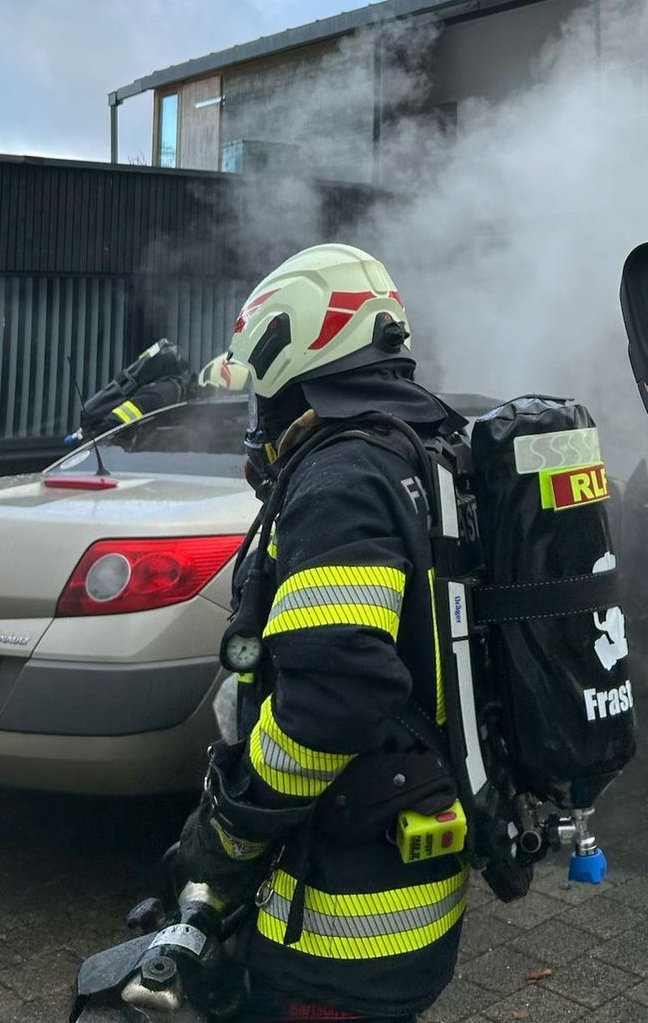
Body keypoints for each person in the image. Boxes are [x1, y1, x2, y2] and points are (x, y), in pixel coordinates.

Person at [177, 243, 469, 1023]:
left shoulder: (342, 479)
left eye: (258, 398)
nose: (254, 420)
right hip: (414, 894)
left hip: (333, 933)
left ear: (294, 356)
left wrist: (228, 833)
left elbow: (337, 697)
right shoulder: (432, 451)